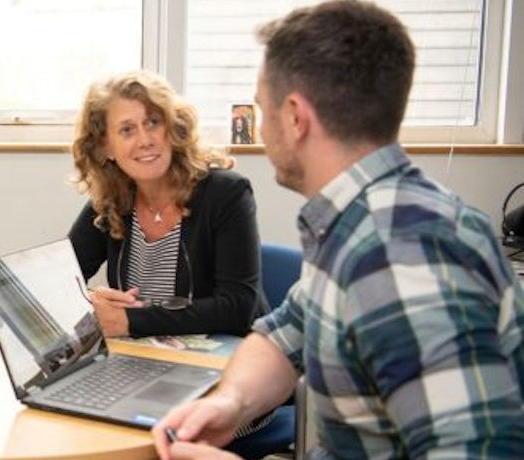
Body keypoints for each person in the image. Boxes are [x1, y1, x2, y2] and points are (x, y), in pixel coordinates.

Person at [152, 2, 524, 459]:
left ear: (294, 116)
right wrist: (231, 403)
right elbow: (286, 334)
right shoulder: (357, 222)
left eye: (262, 109)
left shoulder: (400, 251)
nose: (262, 129)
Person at [68, 70, 267, 339]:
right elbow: (60, 282)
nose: (145, 140)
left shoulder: (226, 193)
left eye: (153, 123)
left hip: (226, 359)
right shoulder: (109, 203)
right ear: (106, 147)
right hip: (144, 360)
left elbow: (238, 308)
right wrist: (92, 299)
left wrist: (130, 321)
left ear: (173, 129)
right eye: (127, 130)